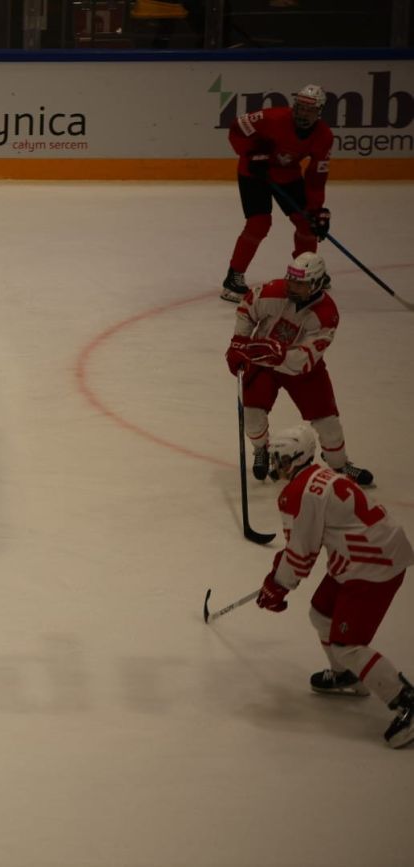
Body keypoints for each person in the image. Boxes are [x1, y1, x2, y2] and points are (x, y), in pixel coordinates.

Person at [253, 424, 414, 749]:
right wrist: (278, 579)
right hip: (366, 554)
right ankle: (347, 675)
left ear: (298, 458)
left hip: (371, 565)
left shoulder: (298, 493)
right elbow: (302, 549)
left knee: (347, 644)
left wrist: (277, 586)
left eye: (281, 459)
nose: (276, 466)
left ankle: (405, 701)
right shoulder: (320, 477)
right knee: (321, 613)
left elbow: (301, 556)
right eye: (275, 459)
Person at [225, 251, 373, 487]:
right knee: (252, 415)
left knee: (328, 422)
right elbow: (247, 308)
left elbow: (305, 359)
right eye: (291, 280)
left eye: (300, 284)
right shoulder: (273, 291)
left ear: (316, 284)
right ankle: (261, 449)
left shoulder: (326, 315)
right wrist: (239, 342)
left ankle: (340, 464)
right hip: (263, 363)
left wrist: (278, 354)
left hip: (304, 372)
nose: (292, 287)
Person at [221, 83, 334, 302]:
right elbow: (237, 127)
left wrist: (315, 209)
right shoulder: (272, 117)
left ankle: (306, 272)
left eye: (309, 110)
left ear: (319, 111)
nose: (303, 113)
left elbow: (316, 177)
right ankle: (233, 277)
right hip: (253, 173)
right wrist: (251, 153)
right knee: (259, 223)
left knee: (306, 222)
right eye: (300, 107)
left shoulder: (324, 136)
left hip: (287, 174)